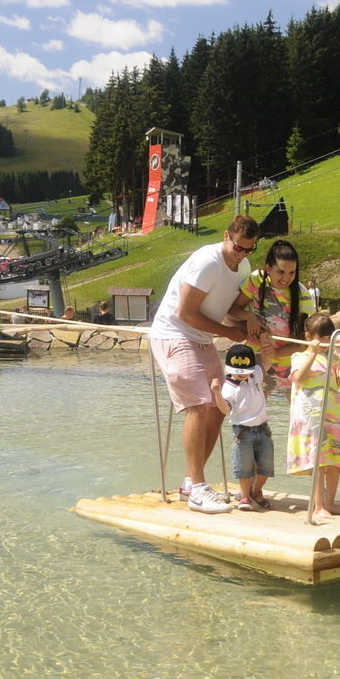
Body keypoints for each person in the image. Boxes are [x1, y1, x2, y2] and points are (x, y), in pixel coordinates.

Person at [148, 214, 264, 514]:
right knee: (199, 405)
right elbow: (185, 312)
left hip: (201, 337)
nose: (243, 255)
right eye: (239, 248)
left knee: (218, 405)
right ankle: (198, 489)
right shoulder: (207, 261)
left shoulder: (245, 266)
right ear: (227, 237)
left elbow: (231, 311)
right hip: (173, 333)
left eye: (250, 250)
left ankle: (190, 483)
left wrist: (248, 317)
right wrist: (229, 333)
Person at [286, 312, 340, 520]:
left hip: (331, 416)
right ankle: (318, 505)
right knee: (318, 461)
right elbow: (298, 378)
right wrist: (312, 353)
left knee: (334, 459)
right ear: (308, 337)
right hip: (310, 418)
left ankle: (330, 502)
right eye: (320, 337)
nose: (324, 342)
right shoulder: (300, 357)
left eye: (328, 338)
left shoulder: (329, 359)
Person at [242, 238, 315, 391]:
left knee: (295, 407)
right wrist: (250, 317)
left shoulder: (303, 295)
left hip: (290, 360)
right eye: (280, 272)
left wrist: (276, 352)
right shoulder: (257, 280)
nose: (286, 278)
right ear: (268, 268)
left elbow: (302, 342)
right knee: (255, 405)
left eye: (292, 272)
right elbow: (233, 310)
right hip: (257, 356)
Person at [210, 344, 274, 512]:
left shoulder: (254, 376)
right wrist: (216, 393)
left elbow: (266, 365)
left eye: (245, 371)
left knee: (266, 466)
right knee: (244, 467)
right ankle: (245, 495)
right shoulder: (229, 387)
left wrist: (266, 351)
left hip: (263, 428)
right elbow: (225, 409)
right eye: (237, 372)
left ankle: (255, 490)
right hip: (243, 432)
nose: (241, 374)